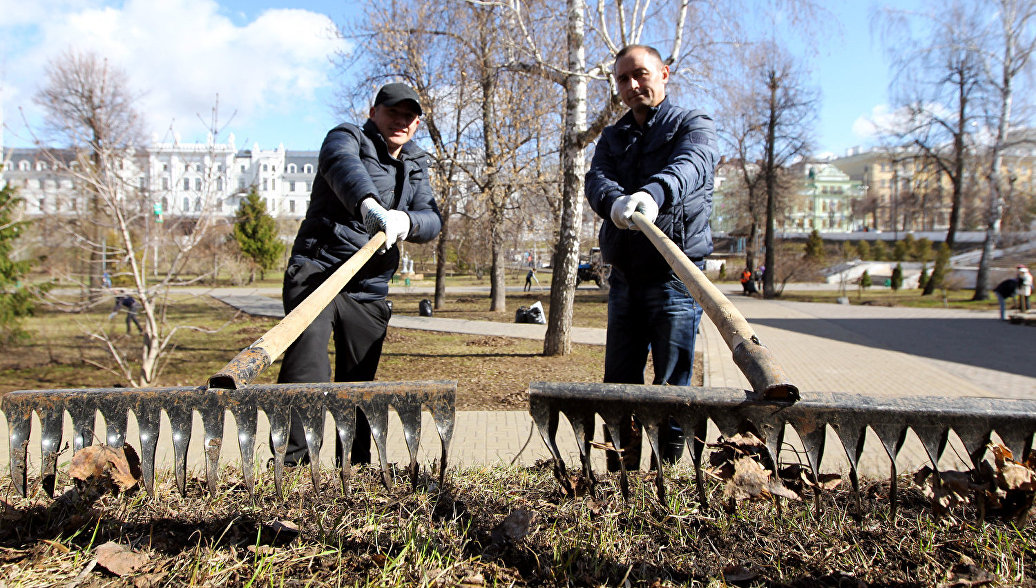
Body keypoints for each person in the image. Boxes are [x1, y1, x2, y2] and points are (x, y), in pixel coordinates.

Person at [276, 82, 443, 467]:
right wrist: (368, 205)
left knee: (360, 385)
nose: (400, 121)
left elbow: (432, 219)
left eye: (408, 116)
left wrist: (406, 221)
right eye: (392, 112)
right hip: (318, 273)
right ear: (374, 112)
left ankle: (356, 469)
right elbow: (341, 166)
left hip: (368, 286)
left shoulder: (416, 165)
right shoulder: (347, 137)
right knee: (306, 372)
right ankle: (292, 468)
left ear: (417, 123)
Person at [585, 44, 718, 471]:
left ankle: (667, 481)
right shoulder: (613, 136)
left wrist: (652, 193)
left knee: (672, 388)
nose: (632, 85)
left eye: (640, 74)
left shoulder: (692, 125)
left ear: (663, 73)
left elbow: (692, 164)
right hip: (625, 278)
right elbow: (597, 179)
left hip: (675, 279)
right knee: (618, 386)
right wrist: (613, 202)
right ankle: (620, 482)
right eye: (623, 79)